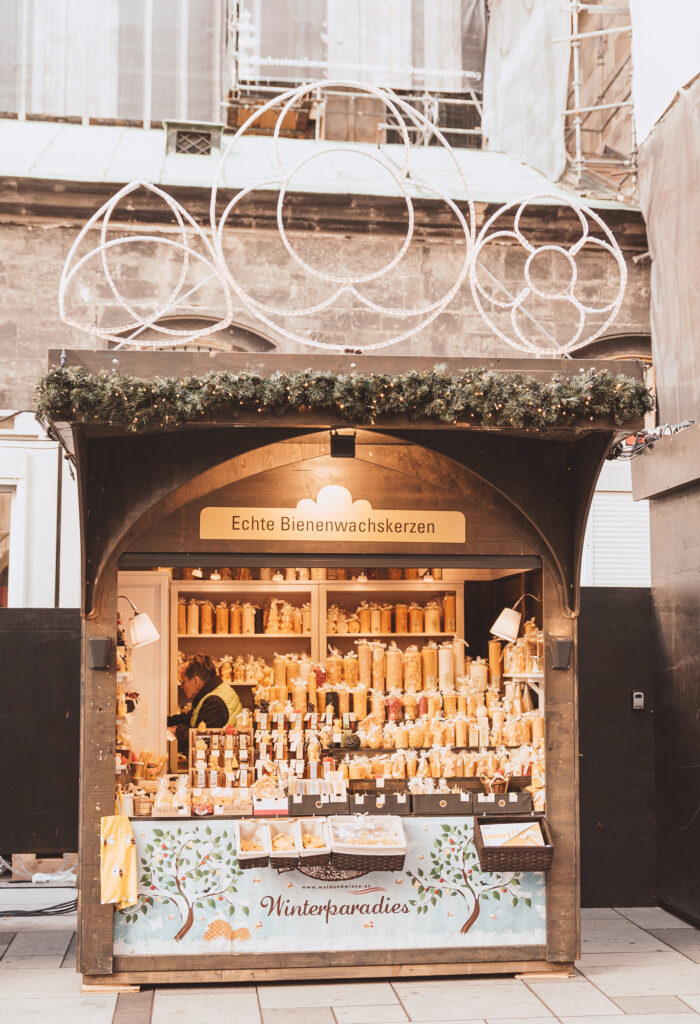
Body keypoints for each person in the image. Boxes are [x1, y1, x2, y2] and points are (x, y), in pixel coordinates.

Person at [167, 654, 243, 754]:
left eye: (183, 681)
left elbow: (202, 741)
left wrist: (177, 731)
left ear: (196, 681)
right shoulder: (211, 693)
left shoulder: (214, 702)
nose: (182, 686)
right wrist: (163, 723)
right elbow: (190, 718)